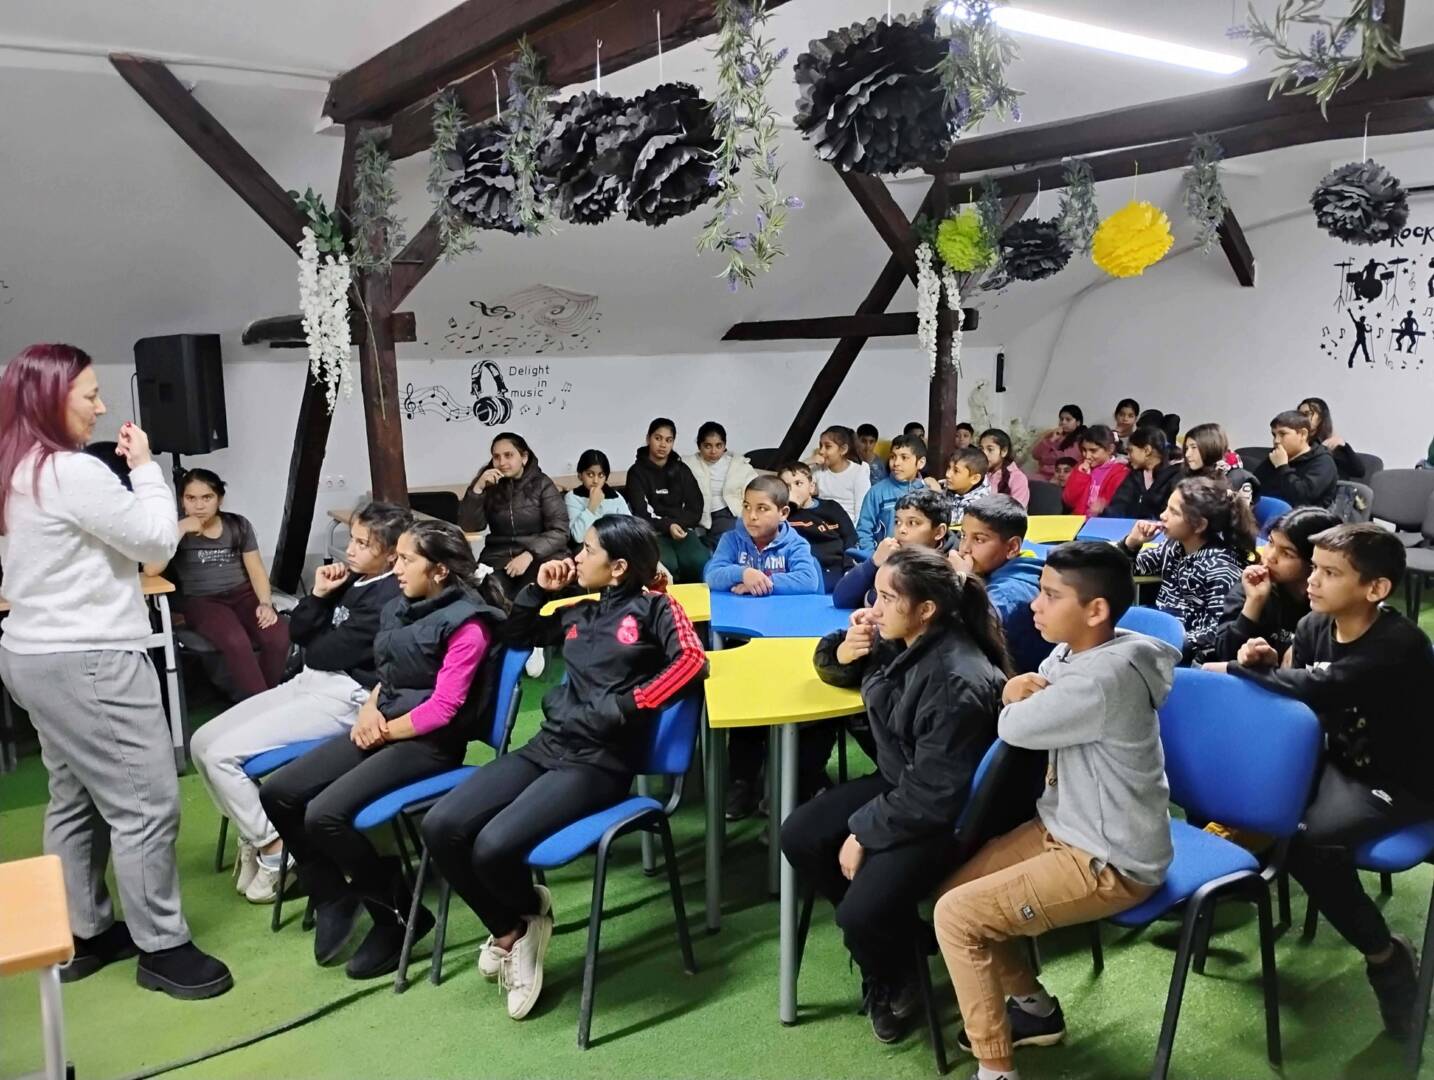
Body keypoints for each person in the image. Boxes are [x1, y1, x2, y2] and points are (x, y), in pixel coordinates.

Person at [0, 343, 232, 998]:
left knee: (75, 797)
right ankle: (163, 948)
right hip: (91, 660)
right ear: (51, 400)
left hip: (33, 655)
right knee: (146, 802)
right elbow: (156, 543)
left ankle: (81, 934)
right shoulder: (73, 472)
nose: (102, 408)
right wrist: (147, 469)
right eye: (90, 395)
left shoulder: (18, 467)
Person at [422, 516, 707, 1020]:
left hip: (599, 762)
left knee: (492, 847)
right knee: (441, 825)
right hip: (548, 746)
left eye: (589, 549)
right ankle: (515, 928)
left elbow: (691, 662)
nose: (577, 556)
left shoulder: (657, 608)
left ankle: (518, 926)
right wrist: (537, 590)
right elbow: (515, 635)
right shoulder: (581, 610)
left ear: (618, 567)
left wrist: (626, 706)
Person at [935, 541, 1177, 1075]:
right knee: (953, 893)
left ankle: (996, 1069)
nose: (1034, 605)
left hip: (1110, 859)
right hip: (1065, 827)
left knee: (957, 917)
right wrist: (1022, 691)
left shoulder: (1101, 679)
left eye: (1049, 595)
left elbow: (1016, 726)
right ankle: (1035, 1011)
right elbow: (1041, 684)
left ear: (1096, 610)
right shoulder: (1073, 651)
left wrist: (1010, 695)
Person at [1211, 525, 1434, 1042]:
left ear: (1376, 588)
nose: (1312, 581)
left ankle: (1386, 958)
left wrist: (1239, 670)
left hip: (1402, 780)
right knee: (1264, 809)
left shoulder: (1399, 644)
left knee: (1308, 845)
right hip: (1340, 762)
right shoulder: (1314, 624)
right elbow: (1300, 681)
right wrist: (1269, 662)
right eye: (1314, 568)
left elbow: (1323, 685)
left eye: (1330, 573)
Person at [260, 520, 510, 981]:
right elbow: (388, 674)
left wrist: (385, 731)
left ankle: (395, 917)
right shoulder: (401, 605)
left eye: (407, 560)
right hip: (386, 723)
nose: (395, 568)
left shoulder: (469, 625)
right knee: (278, 792)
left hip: (431, 744)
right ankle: (333, 893)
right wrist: (369, 710)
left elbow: (444, 708)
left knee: (324, 815)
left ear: (438, 571)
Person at [781, 547, 1008, 1044]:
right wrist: (846, 650)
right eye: (875, 594)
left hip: (946, 816)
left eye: (886, 598)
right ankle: (901, 939)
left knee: (858, 912)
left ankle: (895, 972)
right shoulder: (903, 637)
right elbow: (841, 665)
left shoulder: (954, 680)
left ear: (925, 609)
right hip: (906, 782)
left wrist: (863, 832)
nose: (873, 607)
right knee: (800, 835)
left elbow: (936, 796)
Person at [191, 501, 409, 904]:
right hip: (311, 681)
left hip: (348, 695)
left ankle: (275, 849)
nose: (351, 550)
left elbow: (323, 652)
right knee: (201, 741)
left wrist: (314, 636)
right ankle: (256, 834)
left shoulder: (390, 596)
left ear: (393, 555)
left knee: (221, 757)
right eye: (352, 539)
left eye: (364, 544)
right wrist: (321, 594)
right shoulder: (349, 578)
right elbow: (300, 632)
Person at [142, 468, 290, 700]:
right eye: (191, 498)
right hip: (202, 601)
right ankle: (265, 706)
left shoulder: (238, 525)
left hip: (243, 595)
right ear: (182, 501)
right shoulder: (174, 529)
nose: (199, 506)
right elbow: (151, 569)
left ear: (219, 499)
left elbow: (256, 570)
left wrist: (265, 603)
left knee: (278, 636)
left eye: (207, 497)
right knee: (235, 640)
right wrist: (180, 529)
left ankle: (261, 699)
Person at [1121, 477, 1257, 664]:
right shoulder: (1174, 546)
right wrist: (1131, 544)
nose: (1163, 515)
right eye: (1167, 508)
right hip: (1160, 640)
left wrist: (1165, 643)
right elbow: (1131, 569)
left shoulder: (1221, 569)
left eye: (1174, 512)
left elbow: (1216, 633)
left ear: (1199, 525)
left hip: (1184, 655)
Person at [1210, 506, 1341, 662]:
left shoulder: (1330, 605)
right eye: (1271, 542)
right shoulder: (1255, 581)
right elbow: (1224, 654)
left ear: (1314, 561)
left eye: (1287, 553)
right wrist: (1254, 603)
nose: (1270, 557)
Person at [458, 432, 570, 600]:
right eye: (496, 457)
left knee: (530, 596)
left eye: (508, 455)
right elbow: (470, 526)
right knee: (487, 595)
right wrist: (478, 489)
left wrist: (529, 555)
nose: (502, 462)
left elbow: (560, 531)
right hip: (498, 558)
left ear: (524, 457)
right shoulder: (490, 485)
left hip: (540, 557)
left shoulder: (542, 484)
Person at [951, 496, 1051, 674]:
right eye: (963, 536)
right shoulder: (1000, 567)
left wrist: (962, 579)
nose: (965, 548)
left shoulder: (1009, 593)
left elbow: (965, 635)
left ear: (1012, 547)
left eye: (979, 539)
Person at [704, 476, 823, 596]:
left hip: (781, 607)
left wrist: (761, 583)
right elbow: (711, 576)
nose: (752, 516)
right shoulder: (731, 540)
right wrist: (743, 573)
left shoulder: (795, 544)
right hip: (740, 607)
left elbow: (808, 580)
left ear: (783, 513)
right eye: (747, 507)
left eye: (762, 508)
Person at [834, 489, 951, 610]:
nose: (901, 530)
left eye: (912, 523)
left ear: (939, 532)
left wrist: (871, 597)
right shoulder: (893, 553)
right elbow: (841, 599)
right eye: (897, 522)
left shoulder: (949, 565)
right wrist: (873, 563)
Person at [625, 417, 708, 583]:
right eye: (658, 438)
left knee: (700, 561)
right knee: (668, 565)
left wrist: (677, 524)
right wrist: (668, 526)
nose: (663, 445)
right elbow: (641, 513)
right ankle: (667, 600)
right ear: (648, 439)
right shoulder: (636, 473)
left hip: (682, 530)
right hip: (653, 532)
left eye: (669, 440)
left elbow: (695, 507)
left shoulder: (681, 470)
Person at [780, 461, 857, 593]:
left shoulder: (832, 507)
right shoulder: (782, 515)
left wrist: (849, 568)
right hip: (805, 571)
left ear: (811, 487)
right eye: (786, 486)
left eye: (798, 483)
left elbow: (850, 537)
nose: (792, 489)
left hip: (838, 567)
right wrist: (790, 506)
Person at [683, 420, 757, 541]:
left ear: (724, 445)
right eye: (708, 446)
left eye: (718, 446)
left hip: (726, 511)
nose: (713, 451)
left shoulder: (738, 464)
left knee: (728, 537)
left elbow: (757, 486)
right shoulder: (687, 463)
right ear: (699, 446)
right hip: (695, 512)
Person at [855, 435, 928, 553]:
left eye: (904, 458)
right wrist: (873, 558)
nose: (896, 463)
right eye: (893, 457)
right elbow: (864, 530)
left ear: (920, 462)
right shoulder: (877, 492)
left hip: (918, 558)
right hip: (885, 559)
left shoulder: (927, 493)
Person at [1255, 409, 1339, 509]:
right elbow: (1255, 484)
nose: (1276, 441)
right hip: (1269, 513)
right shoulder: (1276, 456)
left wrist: (1282, 467)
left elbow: (1302, 498)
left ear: (1303, 434)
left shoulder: (1323, 462)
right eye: (1274, 435)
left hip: (1307, 516)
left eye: (1282, 434)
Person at [1104, 427, 1181, 519]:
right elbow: (1119, 503)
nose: (1128, 456)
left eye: (1131, 451)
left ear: (1147, 450)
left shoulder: (1174, 477)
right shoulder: (1134, 475)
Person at [562, 448, 630, 545]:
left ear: (606, 477)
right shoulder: (572, 497)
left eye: (601, 475)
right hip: (586, 549)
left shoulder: (616, 497)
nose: (595, 481)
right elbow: (577, 537)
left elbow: (629, 530)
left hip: (614, 546)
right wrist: (591, 507)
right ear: (580, 475)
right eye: (590, 474)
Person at [1181, 422, 1259, 505]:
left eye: (1194, 447)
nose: (1187, 454)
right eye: (1186, 448)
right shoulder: (1189, 473)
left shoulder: (1237, 480)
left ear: (1211, 448)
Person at [809, 425, 872, 525]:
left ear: (843, 450)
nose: (821, 451)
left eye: (827, 446)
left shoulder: (858, 472)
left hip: (847, 526)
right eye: (821, 446)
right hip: (822, 525)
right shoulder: (818, 470)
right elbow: (795, 484)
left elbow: (862, 511)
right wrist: (808, 462)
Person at [1061, 425, 1129, 516]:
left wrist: (1104, 505)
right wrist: (1081, 475)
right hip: (1080, 520)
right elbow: (1069, 500)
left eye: (1093, 451)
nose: (1087, 456)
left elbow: (1118, 505)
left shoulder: (1120, 472)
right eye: (1084, 450)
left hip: (1104, 521)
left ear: (1110, 449)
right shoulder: (1081, 467)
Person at [1298, 397, 1366, 481]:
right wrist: (1322, 449)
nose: (1301, 419)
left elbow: (1359, 471)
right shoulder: (1296, 442)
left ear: (1321, 417)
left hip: (1336, 487)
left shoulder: (1333, 443)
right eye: (1299, 415)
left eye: (1307, 414)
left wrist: (1344, 446)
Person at [1027, 405, 1085, 483]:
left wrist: (1043, 458)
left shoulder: (1080, 440)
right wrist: (1052, 439)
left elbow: (1063, 460)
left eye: (1068, 420)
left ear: (1078, 422)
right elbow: (1035, 455)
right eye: (1061, 419)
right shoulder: (1054, 434)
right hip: (1043, 475)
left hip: (1058, 478)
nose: (1063, 422)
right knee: (1019, 477)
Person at [979, 428, 1030, 508]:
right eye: (981, 449)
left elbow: (1017, 511)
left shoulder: (1017, 478)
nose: (984, 454)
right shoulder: (980, 472)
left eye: (990, 449)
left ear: (1004, 451)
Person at [944, 446, 991, 531]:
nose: (948, 474)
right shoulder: (946, 487)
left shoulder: (981, 506)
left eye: (956, 471)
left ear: (975, 479)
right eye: (948, 467)